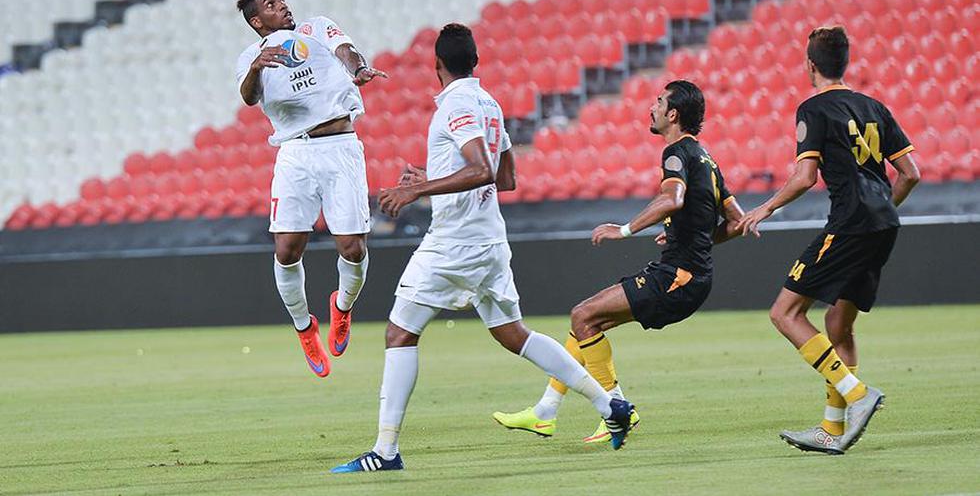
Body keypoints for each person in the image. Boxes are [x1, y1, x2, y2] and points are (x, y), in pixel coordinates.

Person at [330, 24, 633, 474]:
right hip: (489, 239)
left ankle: (386, 450)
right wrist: (431, 180)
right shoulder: (488, 103)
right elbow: (506, 177)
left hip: (456, 242)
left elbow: (481, 168)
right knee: (514, 334)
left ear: (437, 66)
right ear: (475, 62)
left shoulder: (455, 105)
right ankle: (611, 406)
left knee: (399, 333)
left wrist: (420, 191)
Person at [493, 80, 746, 444]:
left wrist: (624, 229)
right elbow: (737, 221)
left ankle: (616, 407)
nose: (652, 108)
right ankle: (545, 412)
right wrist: (692, 235)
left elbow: (673, 199)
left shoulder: (675, 154)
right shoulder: (707, 158)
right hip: (689, 275)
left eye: (659, 102)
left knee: (583, 315)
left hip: (678, 276)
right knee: (587, 321)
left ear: (673, 114)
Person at [737, 26, 920, 454]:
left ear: (810, 65)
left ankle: (856, 394)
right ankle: (832, 428)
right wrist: (882, 208)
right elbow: (911, 172)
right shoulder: (874, 105)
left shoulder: (813, 108)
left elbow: (805, 177)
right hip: (884, 224)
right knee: (839, 323)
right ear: (845, 63)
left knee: (785, 312)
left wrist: (764, 208)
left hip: (851, 222)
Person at [235, 0, 387, 378]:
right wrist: (255, 68)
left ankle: (343, 307)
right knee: (286, 250)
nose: (282, 4)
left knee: (353, 248)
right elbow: (249, 98)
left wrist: (359, 69)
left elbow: (346, 51)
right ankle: (305, 329)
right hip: (295, 154)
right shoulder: (251, 57)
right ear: (257, 21)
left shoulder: (316, 28)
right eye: (271, 3)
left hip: (340, 147)